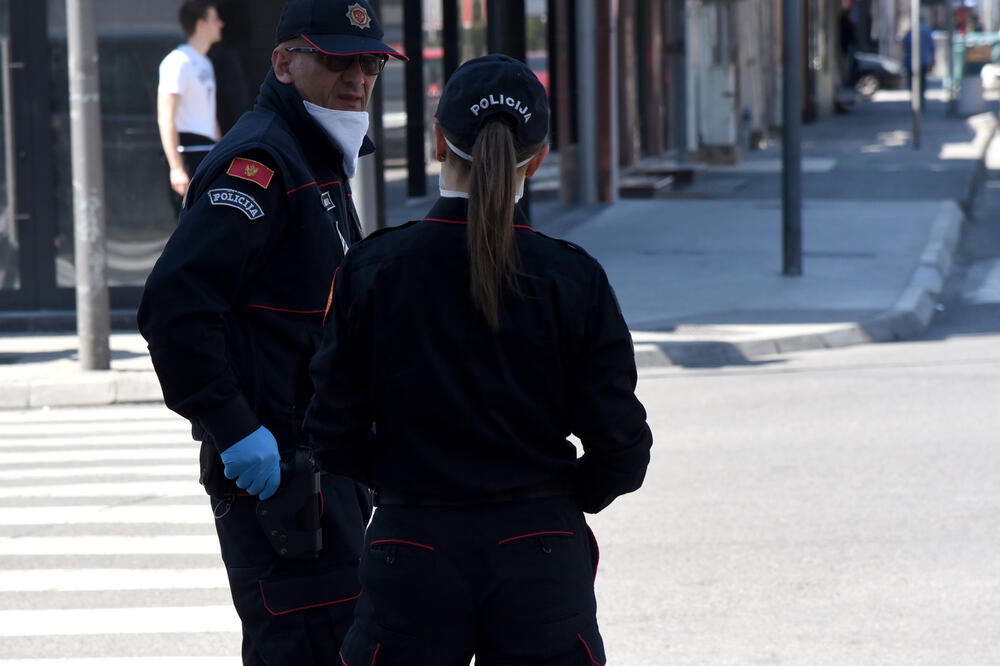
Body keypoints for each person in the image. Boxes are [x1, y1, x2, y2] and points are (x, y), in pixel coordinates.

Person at [303, 54, 653, 664]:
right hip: (539, 552)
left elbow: (331, 434)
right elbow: (622, 447)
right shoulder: (572, 277)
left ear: (439, 142)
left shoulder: (374, 269)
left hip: (412, 548)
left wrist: (405, 483)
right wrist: (562, 498)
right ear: (539, 156)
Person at [137, 1, 404, 663]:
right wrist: (232, 427)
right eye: (337, 59)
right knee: (306, 647)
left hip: (323, 468)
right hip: (282, 476)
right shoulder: (261, 162)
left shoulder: (316, 154)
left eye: (370, 62)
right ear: (285, 62)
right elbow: (174, 306)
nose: (358, 76)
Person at [157, 0, 224, 216]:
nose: (221, 24)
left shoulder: (205, 63)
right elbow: (166, 116)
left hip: (208, 151)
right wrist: (176, 167)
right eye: (215, 19)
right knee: (190, 222)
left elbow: (209, 113)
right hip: (188, 152)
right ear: (201, 24)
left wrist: (221, 150)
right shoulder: (177, 62)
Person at [902, 17, 935, 110]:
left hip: (911, 62)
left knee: (912, 82)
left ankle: (915, 101)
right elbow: (932, 47)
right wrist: (932, 60)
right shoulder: (927, 31)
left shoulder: (910, 32)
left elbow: (905, 46)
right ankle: (921, 102)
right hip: (923, 61)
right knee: (922, 82)